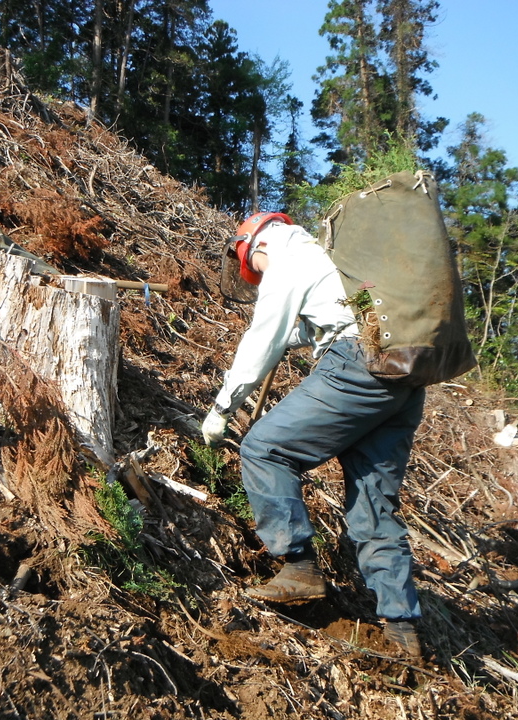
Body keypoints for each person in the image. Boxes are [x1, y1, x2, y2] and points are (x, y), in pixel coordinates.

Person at [202, 211, 426, 658]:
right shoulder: (333, 256)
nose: (258, 277)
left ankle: (299, 566)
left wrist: (222, 408)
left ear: (257, 246)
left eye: (254, 269)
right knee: (373, 506)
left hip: (357, 366)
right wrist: (301, 333)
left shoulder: (288, 257)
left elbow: (262, 339)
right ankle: (403, 631)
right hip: (402, 376)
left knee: (265, 448)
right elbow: (329, 316)